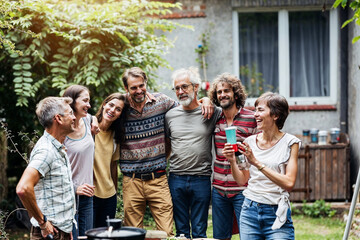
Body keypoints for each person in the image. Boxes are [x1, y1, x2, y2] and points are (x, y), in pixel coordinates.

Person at [119, 67, 213, 236]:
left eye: (141, 85)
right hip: (131, 181)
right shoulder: (121, 107)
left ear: (146, 83)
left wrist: (206, 100)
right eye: (133, 87)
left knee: (167, 233)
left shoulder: (163, 102)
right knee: (132, 234)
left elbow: (188, 106)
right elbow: (105, 116)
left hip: (158, 179)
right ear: (126, 89)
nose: (139, 90)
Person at [223, 92, 301, 240]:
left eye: (260, 110)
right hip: (249, 211)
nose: (255, 115)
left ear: (275, 115)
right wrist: (232, 161)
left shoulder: (291, 143)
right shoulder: (249, 142)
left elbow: (289, 183)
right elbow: (242, 180)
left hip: (276, 212)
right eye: (255, 110)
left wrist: (256, 163)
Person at [165, 67, 222, 239]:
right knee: (181, 231)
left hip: (201, 178)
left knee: (199, 231)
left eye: (185, 87)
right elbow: (168, 143)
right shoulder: (169, 115)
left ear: (196, 87)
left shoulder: (211, 112)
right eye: (177, 88)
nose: (181, 92)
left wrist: (207, 100)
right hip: (176, 178)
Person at [16, 97, 76, 240]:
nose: (74, 117)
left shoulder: (58, 147)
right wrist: (43, 222)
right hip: (50, 234)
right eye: (70, 113)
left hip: (61, 231)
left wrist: (67, 230)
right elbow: (23, 188)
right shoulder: (46, 151)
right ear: (58, 119)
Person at [208, 73, 257, 240]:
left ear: (235, 94)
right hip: (219, 189)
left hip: (243, 189)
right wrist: (205, 100)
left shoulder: (252, 118)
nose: (222, 95)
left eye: (226, 91)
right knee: (221, 237)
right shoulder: (213, 117)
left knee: (248, 235)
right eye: (219, 92)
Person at [63, 85, 97, 239]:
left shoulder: (89, 120)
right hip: (68, 196)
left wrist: (95, 118)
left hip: (87, 196)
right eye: (85, 100)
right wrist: (75, 187)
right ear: (72, 102)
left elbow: (110, 111)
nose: (89, 105)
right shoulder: (61, 129)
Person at [93, 93, 127, 228]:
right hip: (90, 194)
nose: (112, 110)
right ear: (104, 105)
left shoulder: (115, 135)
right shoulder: (88, 127)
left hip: (109, 196)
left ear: (120, 115)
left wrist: (115, 192)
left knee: (106, 235)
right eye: (111, 105)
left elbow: (113, 165)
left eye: (118, 109)